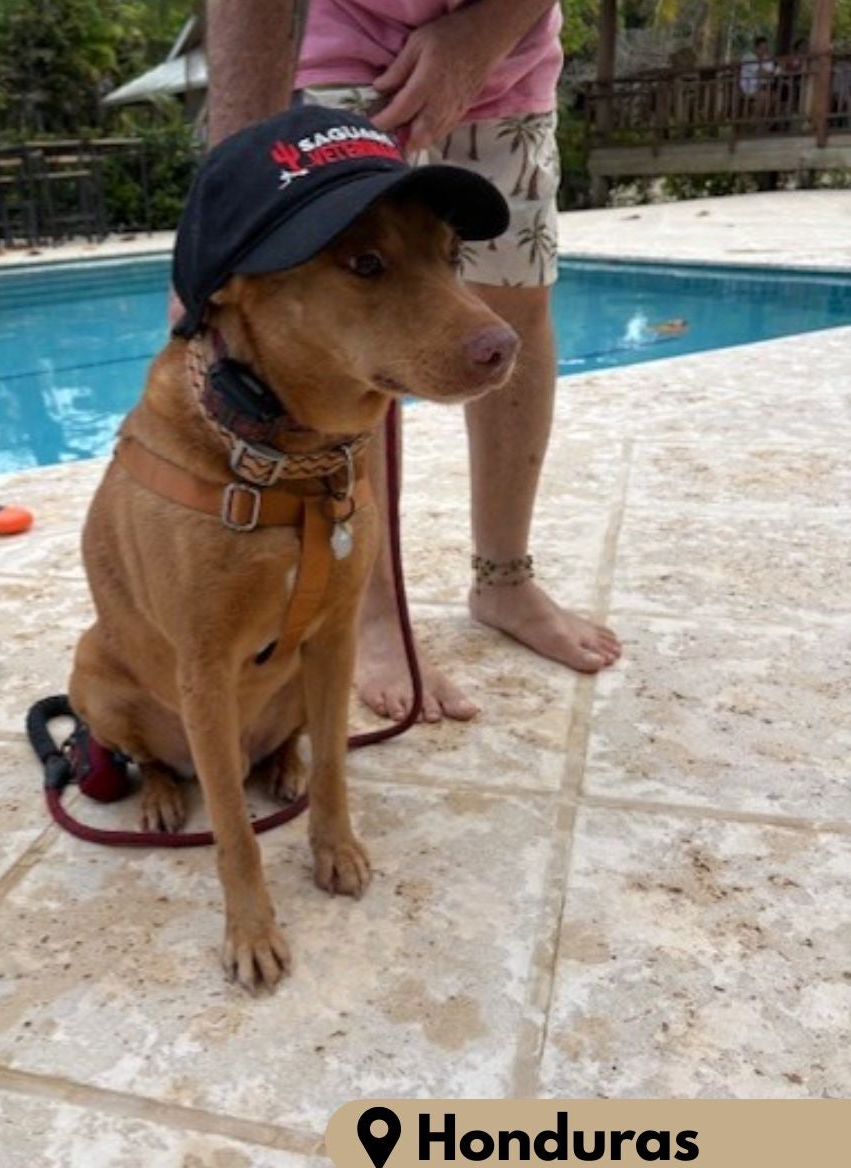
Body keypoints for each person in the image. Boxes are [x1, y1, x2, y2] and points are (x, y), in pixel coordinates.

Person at [206, 0, 621, 723]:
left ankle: (503, 579)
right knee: (349, 347)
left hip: (513, 59)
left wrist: (483, 32)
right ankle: (369, 614)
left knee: (517, 299)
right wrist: (233, 181)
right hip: (335, 52)